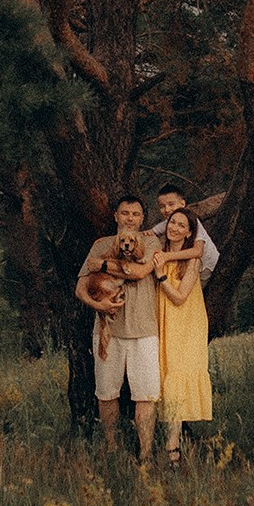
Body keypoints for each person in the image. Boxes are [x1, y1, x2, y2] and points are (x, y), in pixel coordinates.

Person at [75, 195, 162, 461]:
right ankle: (111, 448)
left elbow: (138, 272)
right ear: (115, 216)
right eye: (125, 213)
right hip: (107, 331)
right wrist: (97, 305)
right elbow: (80, 287)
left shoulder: (150, 242)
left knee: (145, 395)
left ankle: (145, 455)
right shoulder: (100, 244)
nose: (130, 219)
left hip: (145, 329)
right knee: (106, 393)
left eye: (136, 214)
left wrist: (102, 265)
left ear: (142, 218)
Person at [153, 208, 213, 466]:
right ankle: (157, 444)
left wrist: (161, 276)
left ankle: (172, 450)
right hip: (161, 322)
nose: (174, 227)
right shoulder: (157, 252)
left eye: (181, 225)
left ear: (189, 232)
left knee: (176, 378)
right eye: (172, 222)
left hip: (186, 325)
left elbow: (180, 297)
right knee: (161, 377)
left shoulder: (192, 261)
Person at [150, 185, 218, 279]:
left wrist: (167, 256)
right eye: (162, 206)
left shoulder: (192, 221)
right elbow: (149, 232)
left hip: (206, 268)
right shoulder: (168, 222)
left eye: (171, 204)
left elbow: (198, 251)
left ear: (182, 204)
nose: (167, 210)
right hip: (188, 267)